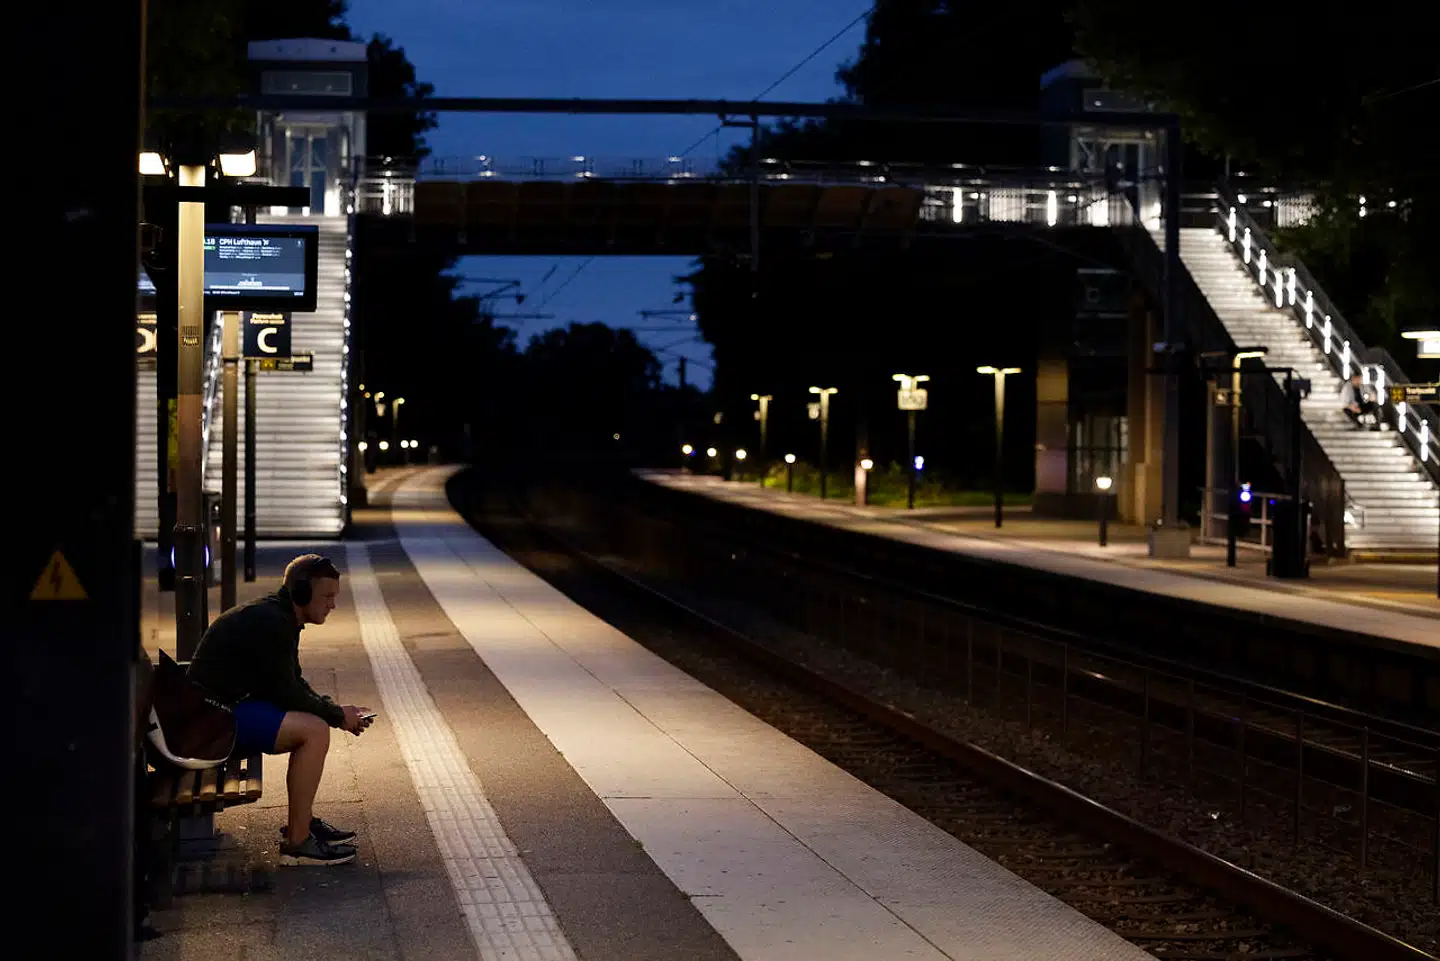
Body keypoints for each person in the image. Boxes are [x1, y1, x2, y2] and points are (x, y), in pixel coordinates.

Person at [188, 554, 374, 865]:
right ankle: (298, 842)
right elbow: (287, 692)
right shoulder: (273, 623)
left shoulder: (278, 616)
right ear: (301, 593)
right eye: (327, 596)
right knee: (314, 731)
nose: (332, 605)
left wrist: (334, 710)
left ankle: (303, 822)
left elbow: (291, 684)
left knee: (315, 721)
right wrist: (338, 716)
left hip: (219, 709)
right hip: (210, 721)